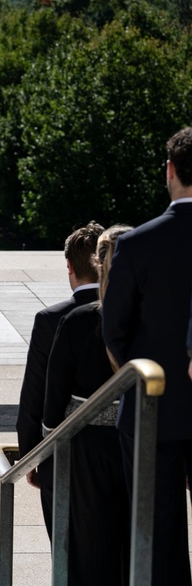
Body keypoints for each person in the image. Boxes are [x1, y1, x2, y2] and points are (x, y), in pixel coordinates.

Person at [103, 126, 192, 586]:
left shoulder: (137, 244)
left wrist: (144, 376)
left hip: (154, 408)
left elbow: (114, 332)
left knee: (158, 535)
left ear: (171, 170)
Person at [43, 225, 131, 586]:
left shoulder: (78, 320)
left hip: (86, 447)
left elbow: (54, 396)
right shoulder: (149, 315)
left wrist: (47, 447)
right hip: (137, 438)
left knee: (89, 543)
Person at [14, 221, 103, 539]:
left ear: (69, 265)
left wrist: (29, 454)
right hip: (120, 450)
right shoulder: (128, 314)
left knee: (66, 547)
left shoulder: (50, 320)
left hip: (61, 451)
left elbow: (34, 392)